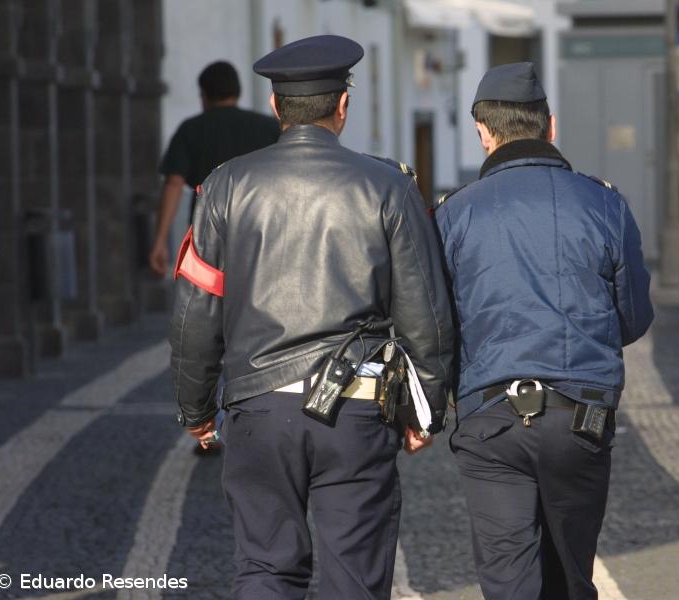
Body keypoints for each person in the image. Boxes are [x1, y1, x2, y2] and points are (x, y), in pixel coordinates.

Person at [169, 35, 454, 600]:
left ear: (276, 107)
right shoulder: (387, 185)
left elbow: (196, 309)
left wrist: (195, 409)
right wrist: (427, 409)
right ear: (342, 107)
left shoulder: (225, 186)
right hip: (357, 409)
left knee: (265, 571)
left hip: (256, 411)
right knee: (355, 577)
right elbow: (425, 310)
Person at [434, 62, 654, 600]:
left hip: (489, 421)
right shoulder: (604, 203)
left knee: (509, 582)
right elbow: (633, 318)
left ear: (483, 133)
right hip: (580, 415)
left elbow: (434, 326)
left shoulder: (454, 214)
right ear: (550, 127)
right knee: (572, 577)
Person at [149, 60, 280, 277]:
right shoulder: (269, 128)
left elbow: (174, 183)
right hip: (260, 231)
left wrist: (160, 241)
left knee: (208, 301)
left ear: (204, 95)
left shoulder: (191, 129)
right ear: (238, 91)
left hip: (207, 235)